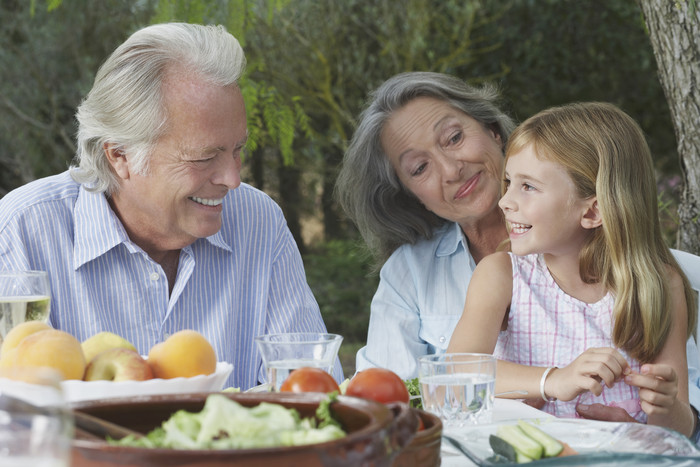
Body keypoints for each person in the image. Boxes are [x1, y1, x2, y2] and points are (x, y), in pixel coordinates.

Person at [335, 71, 700, 431]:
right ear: (409, 193)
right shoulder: (483, 273)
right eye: (419, 168)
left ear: (493, 131)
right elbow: (436, 381)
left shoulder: (657, 282)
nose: (450, 170)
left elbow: (678, 414)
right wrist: (551, 380)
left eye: (455, 137)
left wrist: (655, 419)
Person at [0, 23, 342, 390]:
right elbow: (17, 420)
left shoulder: (259, 221)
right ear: (120, 156)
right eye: (203, 157)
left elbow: (312, 394)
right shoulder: (21, 230)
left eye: (237, 150)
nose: (232, 179)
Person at [447, 102, 698, 436]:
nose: (505, 201)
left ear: (592, 211)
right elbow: (454, 377)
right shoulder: (502, 276)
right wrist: (553, 380)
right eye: (509, 182)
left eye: (528, 186)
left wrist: (663, 411)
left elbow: (678, 432)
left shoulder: (658, 286)